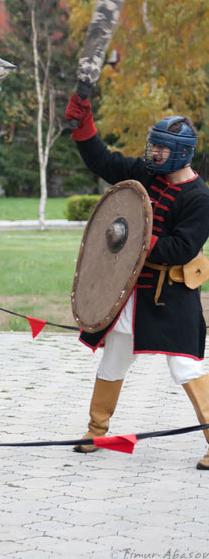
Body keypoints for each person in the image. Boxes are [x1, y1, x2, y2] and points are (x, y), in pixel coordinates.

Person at [65, 93, 209, 469]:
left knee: (186, 367)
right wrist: (84, 125)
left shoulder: (199, 197)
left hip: (171, 297)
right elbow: (104, 160)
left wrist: (137, 237)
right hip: (131, 293)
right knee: (114, 358)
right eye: (154, 146)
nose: (154, 154)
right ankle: (96, 430)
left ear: (180, 153)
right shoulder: (146, 174)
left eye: (161, 149)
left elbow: (180, 248)